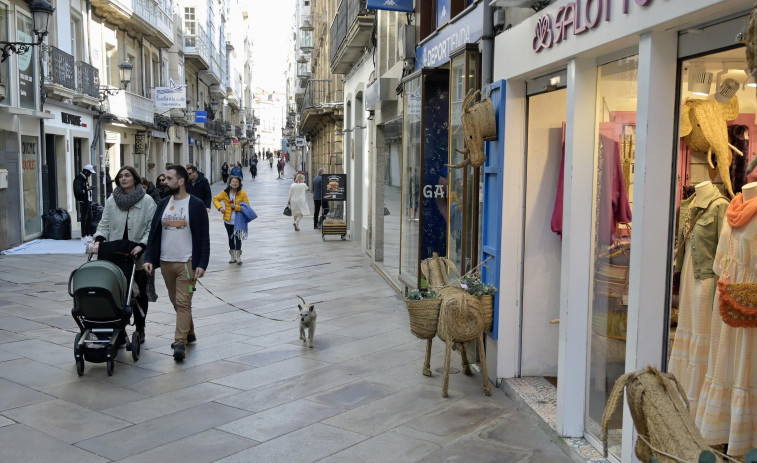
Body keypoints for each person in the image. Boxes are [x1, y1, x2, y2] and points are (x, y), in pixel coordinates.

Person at [144, 165, 210, 361]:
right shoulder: (163, 204)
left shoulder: (196, 204)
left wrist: (202, 264)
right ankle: (189, 331)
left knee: (183, 302)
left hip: (187, 263)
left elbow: (203, 237)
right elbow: (153, 233)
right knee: (177, 302)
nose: (165, 181)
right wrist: (149, 258)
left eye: (169, 178)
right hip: (165, 262)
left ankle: (179, 342)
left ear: (181, 181)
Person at [93, 166, 157, 345]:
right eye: (120, 176)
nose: (123, 178)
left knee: (139, 294)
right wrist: (98, 239)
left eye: (127, 175)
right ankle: (119, 330)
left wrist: (142, 245)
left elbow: (152, 228)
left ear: (135, 178)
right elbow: (104, 223)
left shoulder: (147, 201)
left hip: (138, 257)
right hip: (116, 255)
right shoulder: (112, 200)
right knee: (116, 294)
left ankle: (140, 327)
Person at [213, 175, 249, 264]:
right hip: (228, 220)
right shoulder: (225, 193)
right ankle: (232, 256)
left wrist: (236, 207)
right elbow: (215, 199)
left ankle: (238, 257)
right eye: (233, 182)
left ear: (239, 184)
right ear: (230, 183)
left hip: (239, 220)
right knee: (230, 238)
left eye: (236, 182)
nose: (234, 183)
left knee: (238, 238)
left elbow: (247, 206)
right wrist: (220, 208)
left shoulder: (242, 193)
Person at [73, 164, 96, 237]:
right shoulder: (79, 179)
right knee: (84, 218)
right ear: (86, 171)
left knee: (89, 218)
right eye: (90, 173)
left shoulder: (84, 178)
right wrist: (88, 189)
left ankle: (87, 234)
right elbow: (77, 191)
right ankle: (84, 235)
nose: (90, 174)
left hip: (87, 201)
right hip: (84, 201)